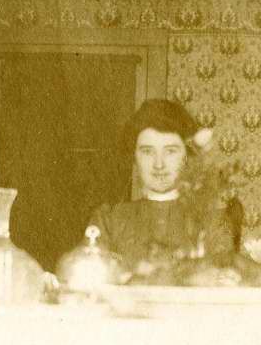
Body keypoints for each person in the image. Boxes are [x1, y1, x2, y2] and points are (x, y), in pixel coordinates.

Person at [87, 98, 235, 265]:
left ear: (187, 156)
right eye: (147, 151)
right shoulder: (109, 220)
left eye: (170, 151)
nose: (159, 164)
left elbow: (223, 274)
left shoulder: (211, 221)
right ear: (134, 156)